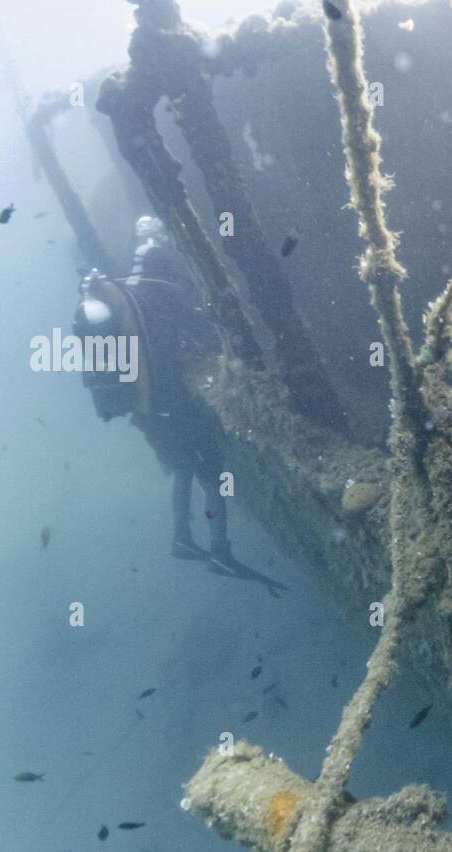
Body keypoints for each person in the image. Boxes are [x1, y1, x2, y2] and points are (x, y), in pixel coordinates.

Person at [74, 216, 287, 591]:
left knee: (181, 465)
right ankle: (220, 549)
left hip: (144, 409)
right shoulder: (160, 294)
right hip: (168, 404)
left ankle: (181, 537)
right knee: (211, 471)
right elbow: (200, 327)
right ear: (164, 263)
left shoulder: (128, 294)